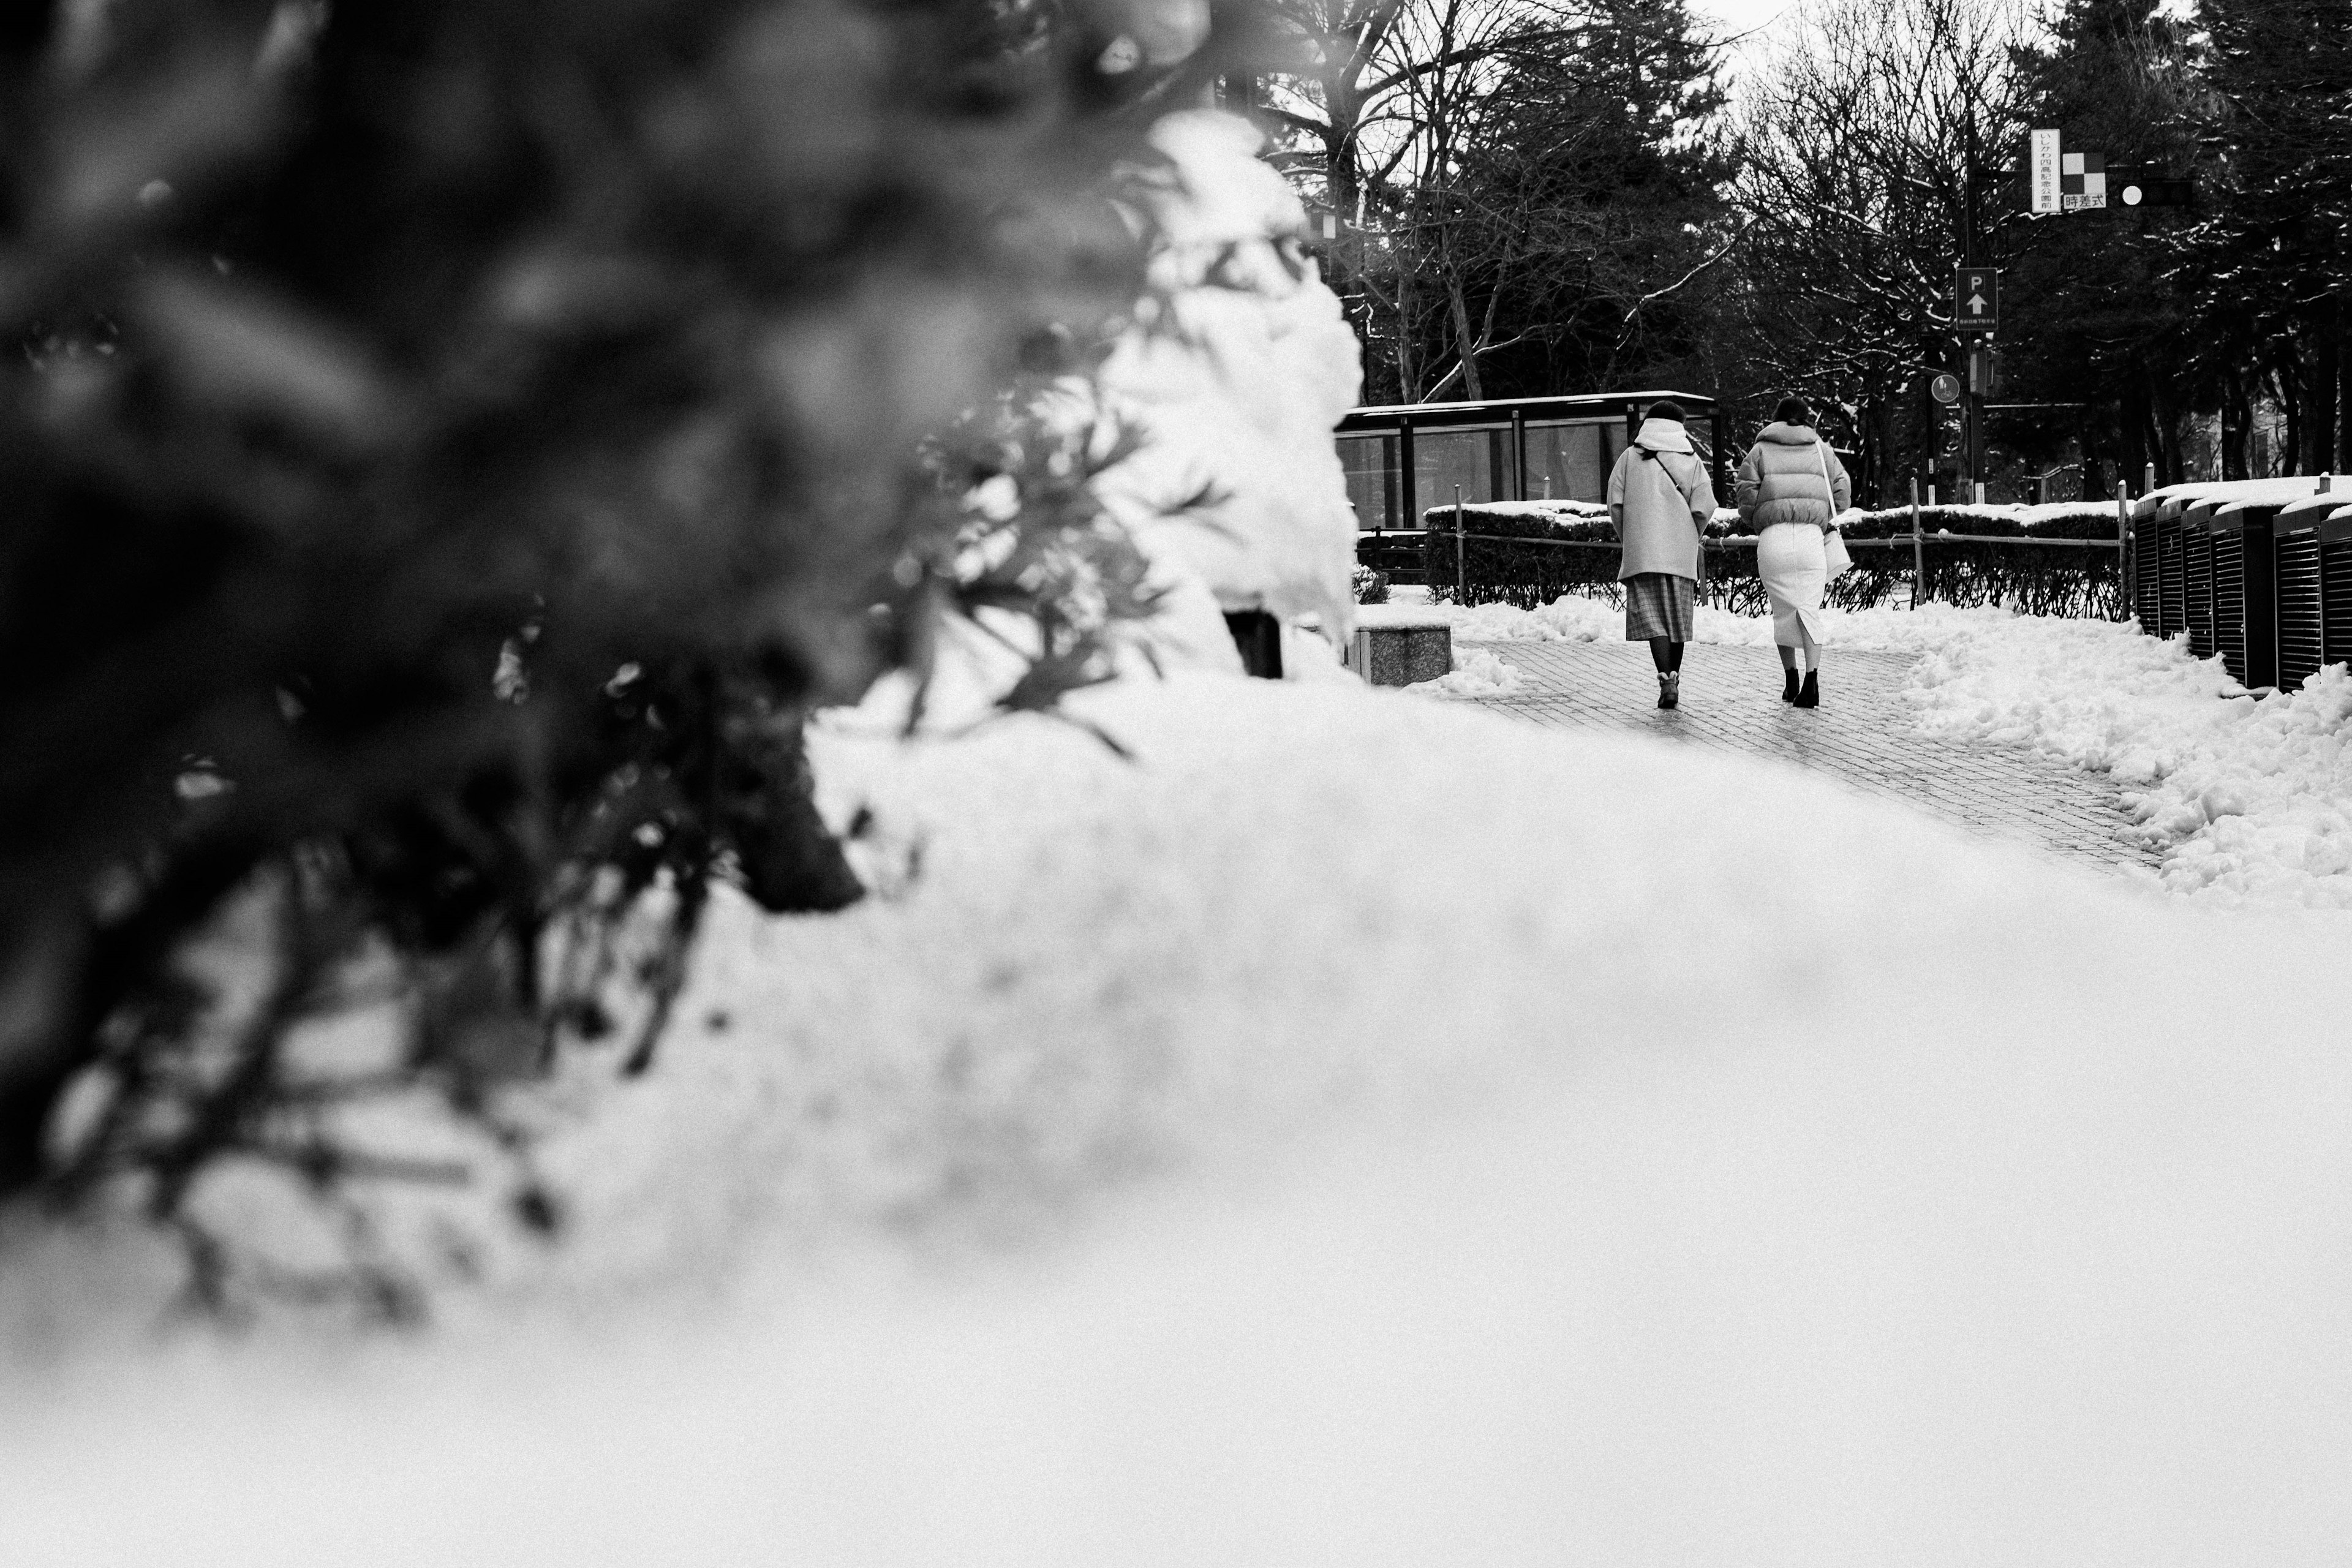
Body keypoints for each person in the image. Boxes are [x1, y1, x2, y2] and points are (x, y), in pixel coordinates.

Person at [1735, 396, 1851, 709]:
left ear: (1776, 418)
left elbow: (1746, 496)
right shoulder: (1821, 449)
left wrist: (1758, 517)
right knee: (1809, 609)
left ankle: (1791, 680)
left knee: (1783, 611)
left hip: (1774, 539)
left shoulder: (1759, 451)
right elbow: (1842, 489)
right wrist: (1824, 513)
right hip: (1812, 539)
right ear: (1806, 420)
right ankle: (1813, 681)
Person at [1605, 399, 1717, 709]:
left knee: (1655, 620)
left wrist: (1631, 535)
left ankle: (1665, 680)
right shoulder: (1692, 460)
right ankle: (1675, 679)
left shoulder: (1630, 458)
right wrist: (1689, 534)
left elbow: (1615, 504)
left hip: (1643, 552)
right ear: (1679, 426)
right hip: (1680, 554)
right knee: (1677, 621)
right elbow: (1705, 505)